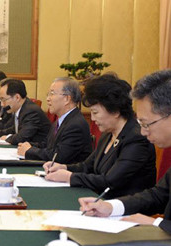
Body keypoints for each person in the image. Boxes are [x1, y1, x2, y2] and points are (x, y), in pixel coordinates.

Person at [79, 69, 171, 232]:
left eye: (146, 124)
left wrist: (156, 224)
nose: (143, 132)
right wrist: (110, 207)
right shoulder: (109, 136)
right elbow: (158, 195)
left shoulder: (134, 138)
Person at [44, 74, 155, 198]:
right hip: (99, 201)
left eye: (95, 112)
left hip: (125, 208)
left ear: (115, 111)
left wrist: (69, 177)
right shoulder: (108, 134)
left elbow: (109, 181)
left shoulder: (136, 138)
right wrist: (63, 167)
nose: (92, 118)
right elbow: (87, 166)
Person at [17, 78, 92, 164]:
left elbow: (58, 156)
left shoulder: (76, 124)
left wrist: (30, 151)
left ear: (67, 99)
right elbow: (47, 145)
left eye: (52, 94)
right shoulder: (60, 120)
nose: (48, 99)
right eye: (48, 94)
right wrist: (28, 146)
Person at [0, 78, 50, 146]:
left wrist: (7, 138)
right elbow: (13, 129)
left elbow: (23, 137)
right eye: (0, 100)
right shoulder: (19, 108)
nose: (2, 104)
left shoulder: (31, 111)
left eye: (4, 100)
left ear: (17, 97)